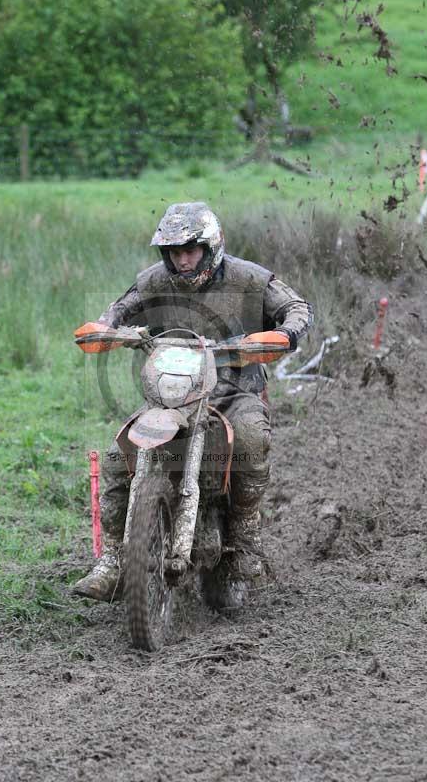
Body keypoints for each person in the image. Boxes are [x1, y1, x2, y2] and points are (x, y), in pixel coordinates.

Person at [73, 201, 313, 605]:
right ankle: (113, 561)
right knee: (117, 458)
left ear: (210, 247)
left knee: (250, 438)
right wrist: (105, 329)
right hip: (171, 393)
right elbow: (116, 311)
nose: (182, 260)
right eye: (174, 252)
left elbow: (297, 307)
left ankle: (244, 539)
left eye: (190, 250)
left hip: (235, 392)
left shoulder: (250, 279)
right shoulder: (153, 281)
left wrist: (284, 333)